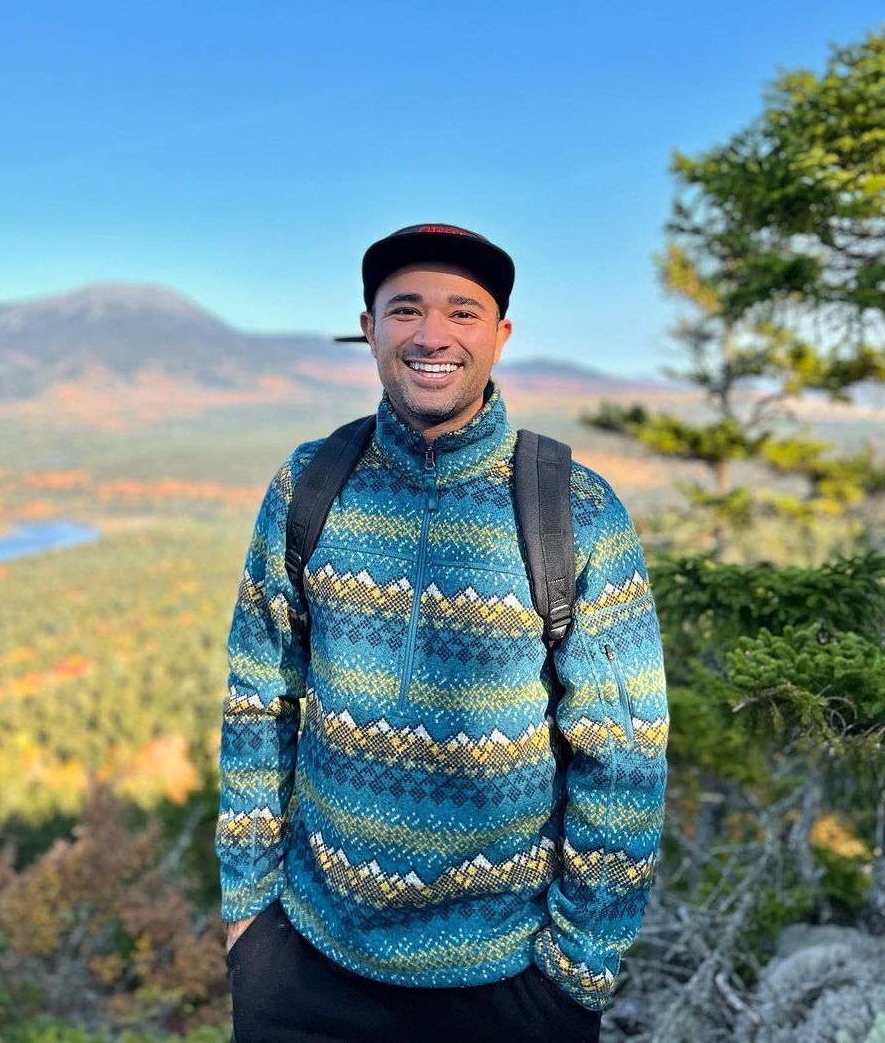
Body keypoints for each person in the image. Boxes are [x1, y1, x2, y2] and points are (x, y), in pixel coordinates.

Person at [215, 223, 669, 1043]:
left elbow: (625, 752)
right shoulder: (309, 484)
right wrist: (249, 916)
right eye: (406, 310)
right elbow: (259, 699)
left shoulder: (575, 509)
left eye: (463, 312)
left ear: (499, 337)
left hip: (507, 987)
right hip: (306, 968)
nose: (432, 335)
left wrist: (578, 970)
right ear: (370, 329)